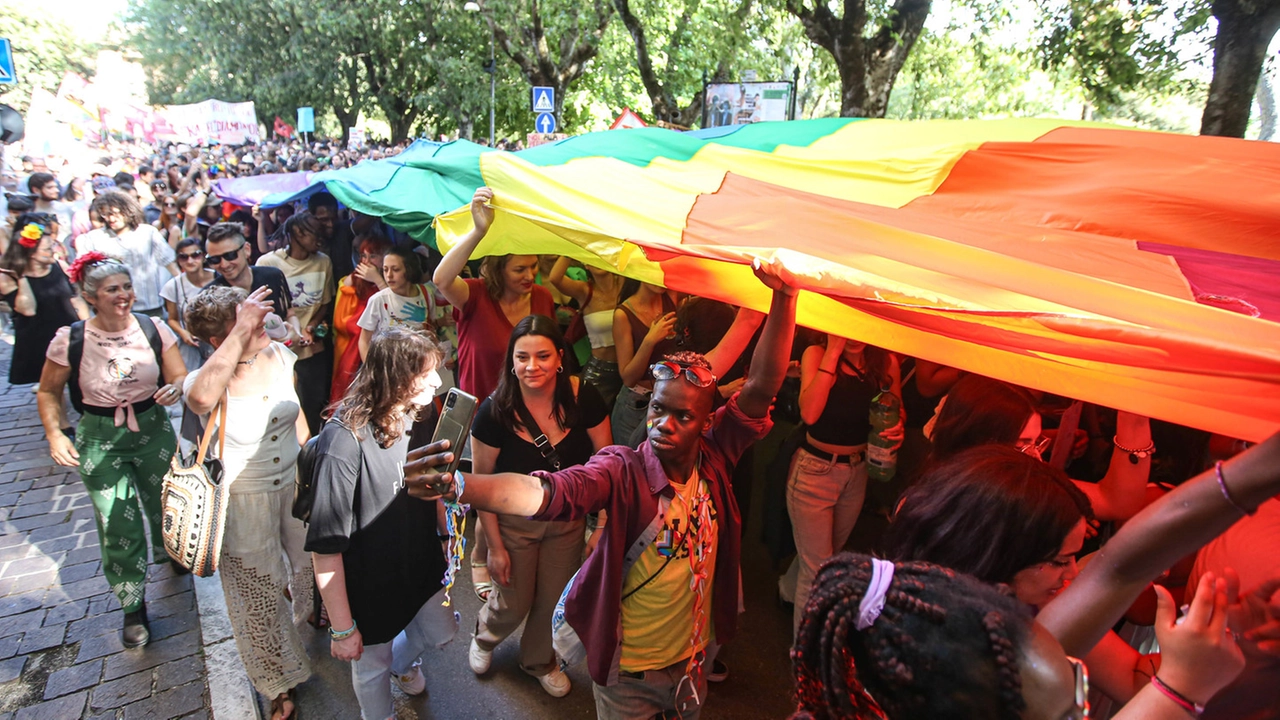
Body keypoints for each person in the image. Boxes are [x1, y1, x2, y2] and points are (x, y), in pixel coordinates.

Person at [405, 257, 799, 719]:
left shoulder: (715, 457)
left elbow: (761, 385)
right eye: (656, 409)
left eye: (683, 417)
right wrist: (458, 484)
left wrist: (785, 298)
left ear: (707, 421)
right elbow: (543, 493)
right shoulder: (622, 469)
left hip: (692, 660)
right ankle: (489, 638)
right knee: (516, 599)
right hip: (628, 675)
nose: (662, 426)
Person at [790, 429, 1280, 720]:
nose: (1075, 573)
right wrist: (1182, 690)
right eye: (1070, 712)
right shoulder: (990, 664)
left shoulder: (948, 637)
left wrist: (1259, 468)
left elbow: (1121, 567)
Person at [306, 327, 457, 720]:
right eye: (426, 374)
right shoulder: (342, 441)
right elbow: (326, 546)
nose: (438, 382)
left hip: (420, 560)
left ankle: (403, 664)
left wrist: (444, 532)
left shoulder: (420, 411)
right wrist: (342, 628)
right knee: (370, 663)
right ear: (397, 378)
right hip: (369, 581)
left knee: (442, 633)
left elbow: (429, 486)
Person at [37, 253, 187, 649]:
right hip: (100, 436)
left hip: (153, 427)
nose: (123, 295)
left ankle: (170, 550)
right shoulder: (71, 338)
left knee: (165, 503)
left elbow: (179, 375)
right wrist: (56, 434)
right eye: (112, 290)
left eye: (126, 287)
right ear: (91, 296)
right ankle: (132, 603)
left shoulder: (152, 328)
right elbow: (48, 391)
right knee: (116, 520)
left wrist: (176, 387)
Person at [183, 286, 312, 720]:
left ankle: (316, 618)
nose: (262, 327)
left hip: (293, 483)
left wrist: (311, 463)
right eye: (249, 322)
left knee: (310, 564)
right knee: (258, 591)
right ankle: (276, 682)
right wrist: (240, 329)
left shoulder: (279, 355)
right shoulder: (207, 379)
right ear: (225, 335)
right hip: (242, 495)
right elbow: (200, 400)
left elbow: (298, 419)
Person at [468, 315, 612, 697]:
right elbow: (479, 487)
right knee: (513, 602)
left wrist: (600, 527)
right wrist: (493, 548)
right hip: (514, 526)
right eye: (522, 357)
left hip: (569, 523)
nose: (532, 366)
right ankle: (485, 636)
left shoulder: (584, 397)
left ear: (561, 357)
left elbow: (608, 463)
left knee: (553, 600)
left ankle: (537, 660)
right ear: (511, 363)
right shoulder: (493, 411)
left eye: (543, 356)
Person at [785, 335, 902, 633]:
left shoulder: (886, 362)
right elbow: (809, 413)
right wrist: (834, 350)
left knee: (826, 554)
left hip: (858, 469)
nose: (854, 336)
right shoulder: (817, 353)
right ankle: (804, 657)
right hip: (815, 470)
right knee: (820, 570)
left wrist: (897, 427)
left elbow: (897, 410)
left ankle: (787, 589)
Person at [929, 374, 1152, 521]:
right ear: (978, 445)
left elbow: (1117, 502)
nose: (1037, 459)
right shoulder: (937, 510)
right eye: (1023, 446)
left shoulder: (1023, 488)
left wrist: (1134, 416)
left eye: (1038, 443)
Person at [432, 187, 554, 404]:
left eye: (534, 266)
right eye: (520, 270)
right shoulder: (476, 295)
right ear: (499, 271)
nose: (530, 275)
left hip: (530, 410)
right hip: (480, 416)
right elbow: (441, 279)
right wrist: (479, 230)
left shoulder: (543, 297)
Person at [256, 212, 334, 435]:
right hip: (280, 351)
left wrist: (312, 327)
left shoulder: (323, 261)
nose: (319, 239)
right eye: (313, 233)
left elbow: (324, 303)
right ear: (296, 233)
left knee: (313, 404)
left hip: (313, 351)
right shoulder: (268, 263)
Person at [0, 216, 89, 391]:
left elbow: (76, 299)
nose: (53, 251)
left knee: (81, 384)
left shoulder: (59, 266)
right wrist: (22, 278)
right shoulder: (8, 277)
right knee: (51, 389)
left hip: (68, 333)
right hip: (37, 340)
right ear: (30, 253)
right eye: (47, 249)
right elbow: (28, 309)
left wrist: (87, 326)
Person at [75, 191, 178, 317]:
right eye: (106, 214)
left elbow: (170, 264)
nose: (111, 219)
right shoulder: (94, 238)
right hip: (113, 310)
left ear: (128, 211)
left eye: (115, 214)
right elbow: (81, 272)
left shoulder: (148, 233)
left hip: (150, 308)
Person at [548, 256, 625, 406]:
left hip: (628, 368)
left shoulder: (625, 284)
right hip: (599, 371)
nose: (597, 258)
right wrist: (572, 248)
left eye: (600, 254)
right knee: (589, 418)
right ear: (585, 265)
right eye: (591, 255)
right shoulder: (584, 291)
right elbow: (555, 278)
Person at [611, 278, 679, 446]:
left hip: (667, 399)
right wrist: (650, 340)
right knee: (632, 465)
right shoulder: (623, 314)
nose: (659, 276)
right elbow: (628, 377)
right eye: (652, 270)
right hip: (636, 403)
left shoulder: (670, 296)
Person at [330, 233, 390, 403]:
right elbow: (343, 322)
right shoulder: (353, 281)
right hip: (357, 350)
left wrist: (378, 280)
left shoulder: (393, 279)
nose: (366, 261)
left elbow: (394, 308)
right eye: (363, 256)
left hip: (386, 348)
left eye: (373, 256)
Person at [204, 221, 293, 319]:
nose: (224, 264)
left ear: (246, 249)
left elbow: (289, 314)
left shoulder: (273, 276)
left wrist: (294, 331)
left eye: (230, 255)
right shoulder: (210, 298)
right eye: (215, 259)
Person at [160, 238, 215, 371]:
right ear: (178, 260)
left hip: (218, 339)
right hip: (191, 343)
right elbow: (172, 319)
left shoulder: (218, 278)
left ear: (203, 256)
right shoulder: (173, 286)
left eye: (195, 255)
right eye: (184, 257)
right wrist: (183, 332)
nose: (190, 261)